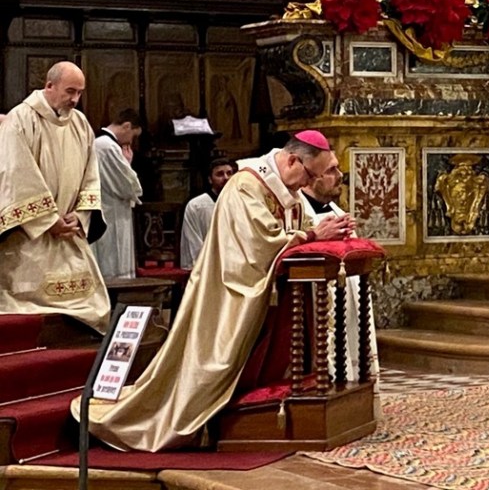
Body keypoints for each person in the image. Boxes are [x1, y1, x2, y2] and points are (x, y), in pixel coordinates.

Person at [80, 131, 355, 451]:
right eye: (309, 175)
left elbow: (303, 229)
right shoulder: (246, 187)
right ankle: (185, 424)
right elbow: (259, 246)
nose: (307, 184)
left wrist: (326, 232)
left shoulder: (288, 189)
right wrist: (310, 236)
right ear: (293, 160)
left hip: (264, 296)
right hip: (227, 299)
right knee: (214, 366)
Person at [0, 61, 109, 332]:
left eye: (79, 93)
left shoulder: (80, 123)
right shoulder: (21, 118)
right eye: (70, 91)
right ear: (49, 86)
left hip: (69, 233)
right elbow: (15, 173)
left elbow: (91, 174)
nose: (75, 99)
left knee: (95, 303)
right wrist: (49, 220)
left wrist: (80, 215)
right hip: (32, 235)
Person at [301, 168, 379, 388]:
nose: (340, 175)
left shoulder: (334, 210)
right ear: (312, 176)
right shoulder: (299, 211)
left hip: (349, 293)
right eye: (330, 170)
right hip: (319, 296)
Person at [92, 110, 144, 280]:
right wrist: (128, 165)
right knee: (113, 260)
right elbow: (127, 186)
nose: (131, 142)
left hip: (110, 207)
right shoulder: (107, 146)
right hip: (111, 211)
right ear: (127, 126)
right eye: (133, 136)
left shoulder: (103, 144)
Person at [180, 156, 236, 268]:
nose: (226, 178)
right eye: (220, 174)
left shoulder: (240, 202)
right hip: (206, 265)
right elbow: (193, 241)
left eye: (229, 173)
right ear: (210, 179)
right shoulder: (197, 205)